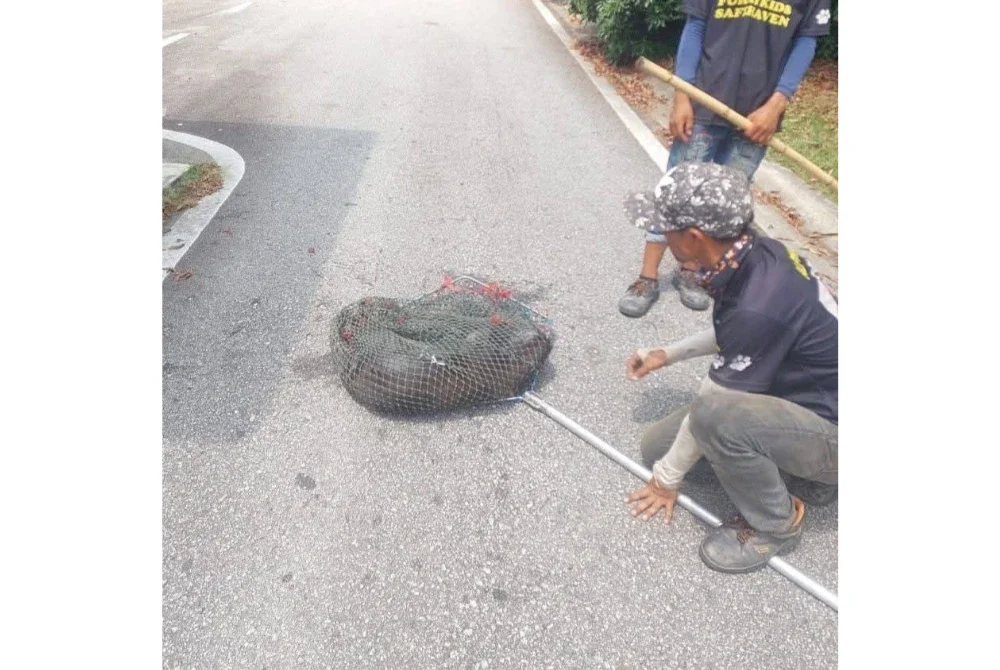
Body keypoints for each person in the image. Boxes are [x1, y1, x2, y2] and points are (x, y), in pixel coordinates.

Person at [621, 162, 837, 574]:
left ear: (694, 237)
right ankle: (808, 475)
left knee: (713, 422)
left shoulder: (759, 299)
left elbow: (712, 403)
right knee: (656, 448)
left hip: (835, 428)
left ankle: (776, 522)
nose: (661, 236)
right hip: (797, 398)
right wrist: (667, 353)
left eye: (664, 228)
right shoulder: (750, 253)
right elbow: (742, 338)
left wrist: (665, 481)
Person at [618, 0, 833, 317]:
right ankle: (647, 277)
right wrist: (682, 94)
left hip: (757, 118)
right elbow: (695, 26)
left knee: (722, 206)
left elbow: (805, 42)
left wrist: (776, 106)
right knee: (674, 196)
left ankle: (690, 270)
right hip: (704, 101)